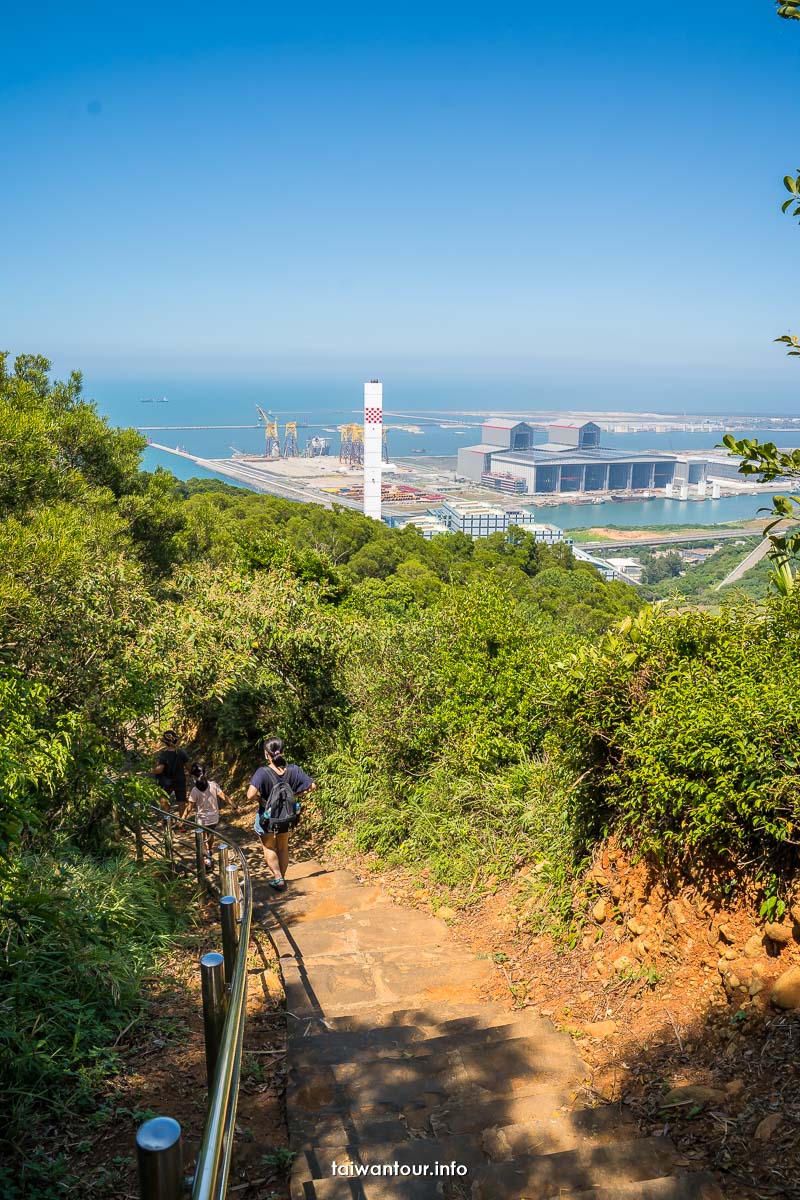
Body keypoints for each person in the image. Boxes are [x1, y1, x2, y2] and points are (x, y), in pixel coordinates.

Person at [247, 737, 315, 891]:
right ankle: (282, 878)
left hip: (267, 817)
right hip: (287, 816)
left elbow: (250, 795)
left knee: (269, 847)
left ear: (266, 754)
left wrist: (263, 801)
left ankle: (278, 878)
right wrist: (293, 795)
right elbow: (312, 786)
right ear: (282, 752)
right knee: (283, 847)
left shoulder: (262, 772)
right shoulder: (294, 770)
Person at [189, 762, 227, 871]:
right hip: (213, 818)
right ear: (206, 773)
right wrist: (234, 805)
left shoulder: (195, 790)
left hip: (201, 820)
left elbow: (189, 806)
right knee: (210, 835)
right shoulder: (214, 785)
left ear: (193, 776)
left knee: (201, 839)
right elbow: (223, 796)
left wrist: (182, 819)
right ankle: (209, 851)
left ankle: (207, 859)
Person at [153, 730, 190, 816]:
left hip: (166, 782)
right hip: (180, 780)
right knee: (181, 801)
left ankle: (168, 822)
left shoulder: (164, 754)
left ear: (165, 743)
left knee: (163, 799)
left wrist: (152, 770)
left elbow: (160, 769)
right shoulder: (182, 753)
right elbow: (189, 767)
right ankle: (182, 824)